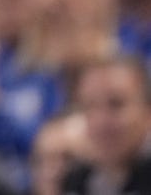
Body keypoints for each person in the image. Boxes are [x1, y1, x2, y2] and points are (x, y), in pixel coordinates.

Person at [61, 54, 151, 193]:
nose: (100, 121)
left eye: (116, 104)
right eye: (89, 106)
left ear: (147, 110)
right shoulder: (75, 181)